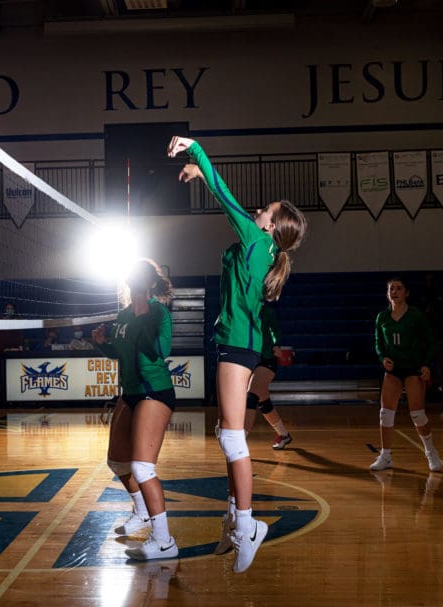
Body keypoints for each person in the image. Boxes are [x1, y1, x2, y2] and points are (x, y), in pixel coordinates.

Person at [168, 135, 307, 573]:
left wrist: (196, 151)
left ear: (270, 224)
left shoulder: (253, 235)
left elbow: (223, 193)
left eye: (267, 209)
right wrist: (195, 171)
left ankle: (248, 525)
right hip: (237, 341)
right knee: (226, 431)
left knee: (232, 437)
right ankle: (233, 518)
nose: (260, 209)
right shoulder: (264, 245)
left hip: (239, 345)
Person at [91, 259, 177, 561]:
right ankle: (141, 511)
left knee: (142, 468)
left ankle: (164, 541)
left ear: (149, 282)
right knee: (117, 462)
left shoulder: (158, 312)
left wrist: (146, 323)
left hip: (154, 391)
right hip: (129, 393)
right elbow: (121, 353)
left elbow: (161, 350)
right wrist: (102, 344)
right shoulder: (124, 314)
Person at [370, 277, 442, 473]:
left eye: (399, 288)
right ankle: (386, 456)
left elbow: (430, 341)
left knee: (417, 414)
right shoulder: (382, 318)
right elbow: (379, 344)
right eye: (391, 288)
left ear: (407, 293)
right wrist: (383, 358)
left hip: (413, 369)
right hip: (393, 371)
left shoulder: (415, 315)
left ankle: (430, 452)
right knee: (385, 413)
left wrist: (426, 364)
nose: (394, 291)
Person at [243, 305, 292, 450]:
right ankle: (284, 435)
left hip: (267, 358)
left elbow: (275, 330)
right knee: (263, 401)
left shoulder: (267, 311)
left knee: (251, 395)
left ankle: (239, 442)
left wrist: (276, 344)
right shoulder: (245, 311)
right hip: (252, 359)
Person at [419, 273, 443, 412]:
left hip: (439, 339)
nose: (429, 282)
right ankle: (420, 403)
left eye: (431, 280)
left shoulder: (441, 299)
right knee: (420, 372)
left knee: (442, 372)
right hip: (425, 341)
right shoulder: (422, 299)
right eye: (427, 280)